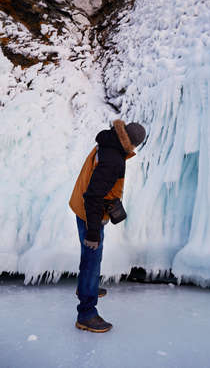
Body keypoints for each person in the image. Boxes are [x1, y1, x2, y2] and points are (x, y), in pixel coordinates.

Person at [69, 119, 146, 333]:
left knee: (90, 257)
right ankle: (86, 314)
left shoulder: (107, 142)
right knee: (92, 258)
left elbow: (96, 184)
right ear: (133, 144)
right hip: (90, 214)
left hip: (83, 209)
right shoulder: (114, 159)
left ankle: (87, 287)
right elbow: (93, 196)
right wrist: (93, 232)